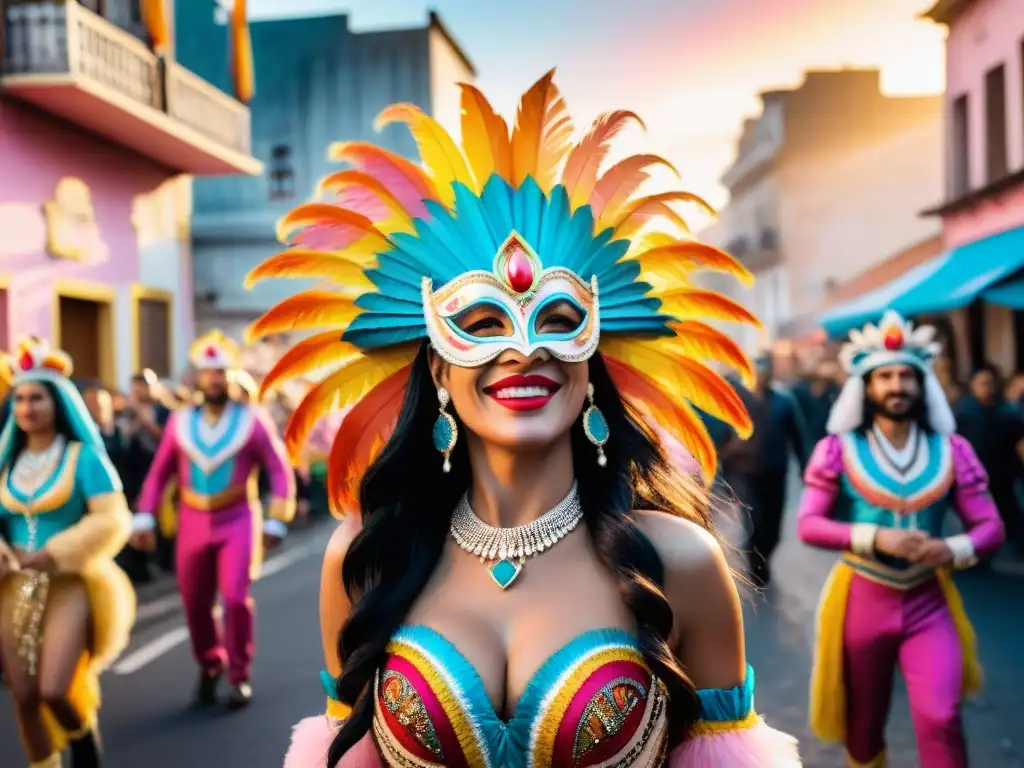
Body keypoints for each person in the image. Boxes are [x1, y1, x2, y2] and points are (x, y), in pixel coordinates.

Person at [258, 72, 800, 767]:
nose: (524, 348)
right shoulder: (368, 559)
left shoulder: (680, 563)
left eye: (560, 319)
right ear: (436, 371)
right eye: (482, 323)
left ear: (592, 363)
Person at [796, 311, 1005, 768]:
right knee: (864, 725)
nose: (897, 386)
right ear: (866, 387)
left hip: (929, 599)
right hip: (862, 600)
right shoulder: (838, 449)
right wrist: (874, 537)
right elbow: (808, 524)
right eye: (885, 376)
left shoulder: (952, 449)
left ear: (922, 383)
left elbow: (991, 527)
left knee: (941, 716)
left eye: (907, 376)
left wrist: (954, 548)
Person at [130, 330, 296, 709]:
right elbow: (159, 473)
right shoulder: (179, 422)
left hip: (238, 516)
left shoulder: (252, 420)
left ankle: (239, 675)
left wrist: (276, 518)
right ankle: (209, 664)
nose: (214, 379)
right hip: (191, 519)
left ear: (231, 375)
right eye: (208, 372)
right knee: (193, 602)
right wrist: (144, 515)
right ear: (198, 378)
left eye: (221, 372)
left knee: (236, 598)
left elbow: (279, 469)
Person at [0, 337, 135, 768]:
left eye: (37, 397)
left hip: (69, 583)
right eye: (20, 398)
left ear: (57, 402)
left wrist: (55, 552)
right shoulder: (4, 462)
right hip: (12, 586)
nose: (27, 408)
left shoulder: (83, 459)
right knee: (23, 696)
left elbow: (112, 518)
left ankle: (82, 739)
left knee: (54, 689)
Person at [721, 354, 808, 586]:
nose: (761, 373)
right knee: (755, 519)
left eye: (764, 368)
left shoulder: (784, 400)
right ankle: (754, 561)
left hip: (775, 471)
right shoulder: (733, 400)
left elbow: (798, 436)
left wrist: (805, 467)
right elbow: (717, 433)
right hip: (742, 472)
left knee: (773, 527)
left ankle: (764, 555)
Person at [954, 364, 1024, 557]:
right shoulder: (965, 411)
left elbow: (1017, 435)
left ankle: (1017, 545)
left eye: (990, 383)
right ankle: (975, 551)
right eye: (983, 384)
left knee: (1009, 510)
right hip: (973, 475)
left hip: (1002, 473)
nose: (987, 388)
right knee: (974, 514)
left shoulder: (1005, 411)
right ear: (973, 386)